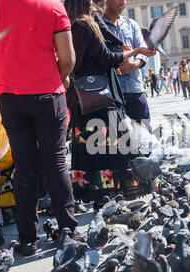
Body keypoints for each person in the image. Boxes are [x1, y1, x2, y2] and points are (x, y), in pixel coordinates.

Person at [0, 0, 78, 255]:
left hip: (10, 96)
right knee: (55, 162)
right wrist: (57, 76)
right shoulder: (53, 7)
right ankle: (68, 230)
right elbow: (68, 58)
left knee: (24, 165)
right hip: (47, 94)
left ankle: (28, 238)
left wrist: (6, 65)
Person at [63, 0, 155, 210]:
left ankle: (100, 196)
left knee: (92, 150)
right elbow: (108, 59)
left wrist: (119, 42)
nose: (96, 5)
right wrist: (134, 51)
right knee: (117, 145)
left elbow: (103, 31)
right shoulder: (84, 25)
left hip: (81, 100)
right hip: (100, 98)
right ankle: (115, 192)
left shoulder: (70, 26)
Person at [103, 0, 154, 132]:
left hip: (135, 89)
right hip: (111, 94)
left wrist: (134, 65)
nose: (122, 2)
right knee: (117, 142)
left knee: (144, 136)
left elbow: (142, 49)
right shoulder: (98, 25)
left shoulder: (131, 24)